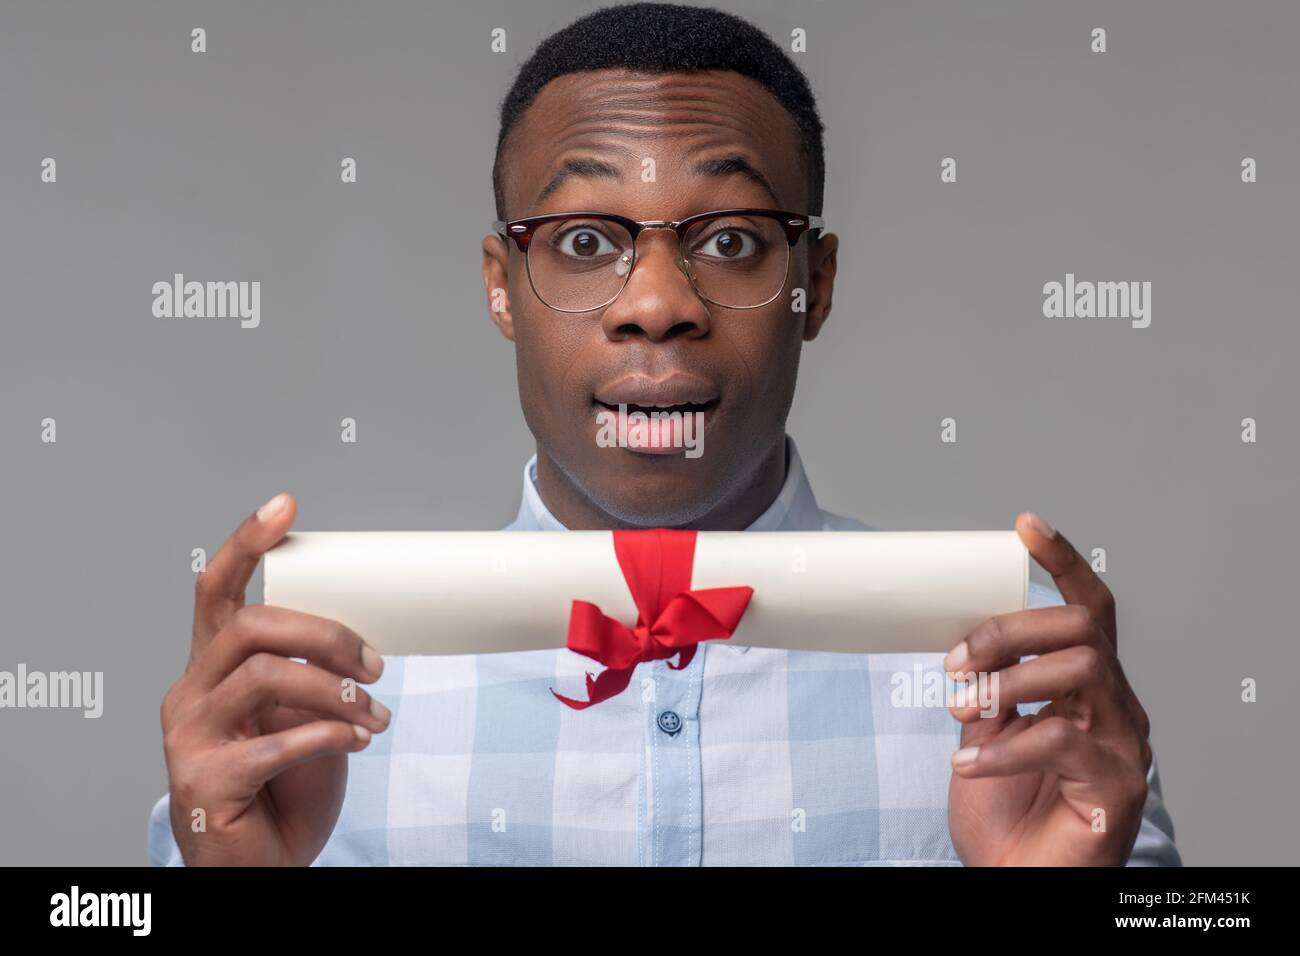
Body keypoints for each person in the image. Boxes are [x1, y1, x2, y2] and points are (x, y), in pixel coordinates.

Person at [149, 2, 1179, 866]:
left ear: (811, 286)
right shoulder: (301, 685)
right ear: (501, 288)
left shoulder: (1015, 659)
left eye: (729, 241)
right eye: (584, 240)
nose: (654, 304)